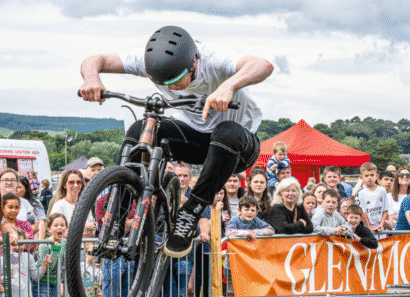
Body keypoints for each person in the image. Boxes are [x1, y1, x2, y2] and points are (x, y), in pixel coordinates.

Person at [80, 24, 273, 258]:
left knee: (226, 130)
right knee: (138, 129)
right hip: (194, 139)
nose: (171, 87)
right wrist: (92, 78)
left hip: (237, 148)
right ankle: (116, 220)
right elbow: (96, 59)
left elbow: (263, 65)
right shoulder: (149, 60)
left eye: (177, 81)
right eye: (165, 82)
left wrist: (228, 86)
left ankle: (190, 212)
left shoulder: (213, 59)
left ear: (194, 64)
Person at [354, 162, 388, 237]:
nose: (369, 177)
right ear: (362, 177)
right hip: (366, 230)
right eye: (366, 175)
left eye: (372, 175)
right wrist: (369, 228)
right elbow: (362, 212)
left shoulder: (382, 190)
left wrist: (381, 225)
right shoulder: (360, 192)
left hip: (380, 230)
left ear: (376, 176)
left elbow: (385, 210)